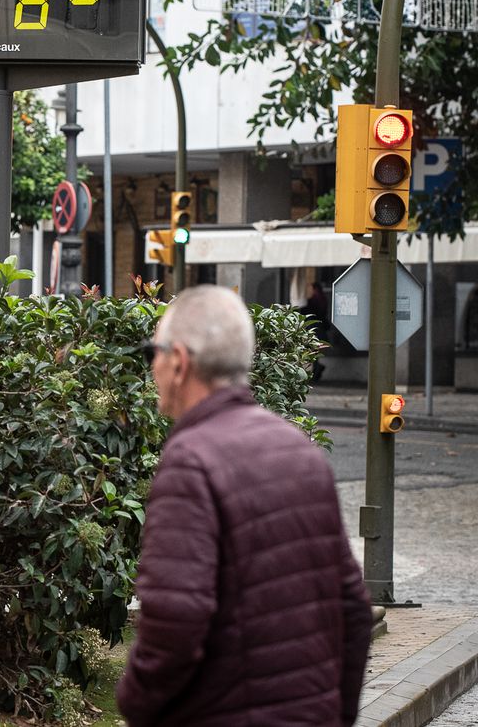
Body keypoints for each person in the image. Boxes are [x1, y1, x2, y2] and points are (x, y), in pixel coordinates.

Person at [117, 285, 372, 727]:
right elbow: (352, 610)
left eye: (152, 353)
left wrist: (135, 704)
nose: (152, 367)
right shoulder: (300, 451)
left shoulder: (191, 462)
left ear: (178, 361)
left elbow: (176, 622)